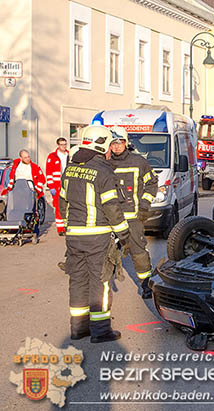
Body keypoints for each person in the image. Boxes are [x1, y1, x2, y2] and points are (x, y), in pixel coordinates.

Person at [59, 125, 130, 343]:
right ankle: (100, 331)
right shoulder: (103, 171)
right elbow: (112, 208)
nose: (111, 150)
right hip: (97, 237)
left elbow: (63, 203)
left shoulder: (70, 168)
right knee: (101, 281)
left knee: (78, 280)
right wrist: (124, 235)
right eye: (109, 145)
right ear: (101, 145)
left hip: (74, 236)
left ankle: (78, 328)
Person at [108, 126, 158, 299]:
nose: (116, 146)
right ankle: (104, 284)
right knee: (107, 251)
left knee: (138, 251)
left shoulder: (138, 162)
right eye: (113, 143)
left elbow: (152, 183)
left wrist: (144, 206)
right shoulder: (104, 163)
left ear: (126, 142)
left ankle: (146, 285)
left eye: (119, 142)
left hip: (133, 217)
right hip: (110, 218)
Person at [46, 137, 69, 235]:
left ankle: (67, 226)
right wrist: (51, 186)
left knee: (69, 206)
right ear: (58, 145)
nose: (64, 146)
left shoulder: (69, 155)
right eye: (62, 144)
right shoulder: (52, 156)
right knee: (59, 206)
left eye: (65, 144)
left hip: (68, 184)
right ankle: (60, 228)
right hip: (57, 186)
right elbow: (48, 172)